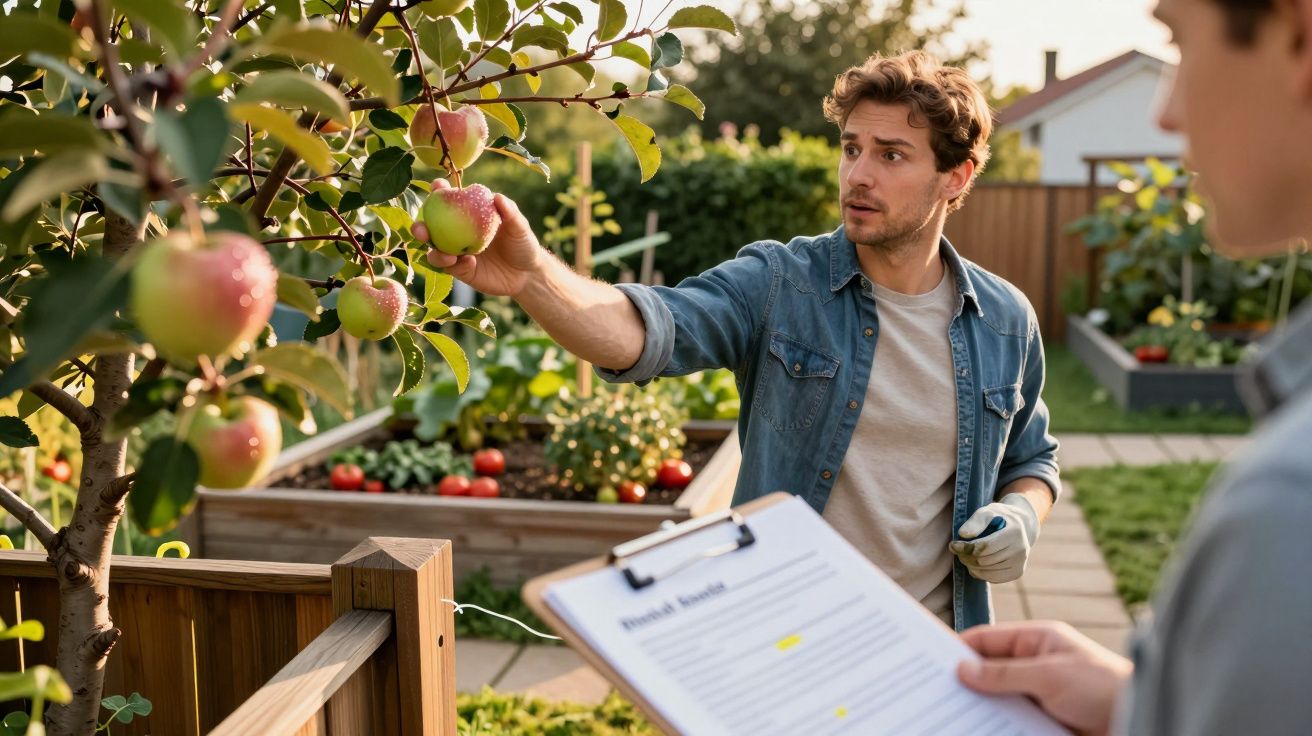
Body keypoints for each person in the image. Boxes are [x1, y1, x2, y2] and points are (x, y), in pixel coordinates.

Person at [420, 51, 1060, 632]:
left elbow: (1030, 460)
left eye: (890, 155)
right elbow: (645, 331)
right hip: (786, 639)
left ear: (955, 177)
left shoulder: (1004, 320)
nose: (857, 175)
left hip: (935, 646)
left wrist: (1023, 514)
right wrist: (534, 276)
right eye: (851, 148)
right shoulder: (781, 283)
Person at [955, 0, 1312, 733]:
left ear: (1300, 34)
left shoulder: (1291, 505)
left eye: (1180, 40)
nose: (1166, 114)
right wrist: (1134, 702)